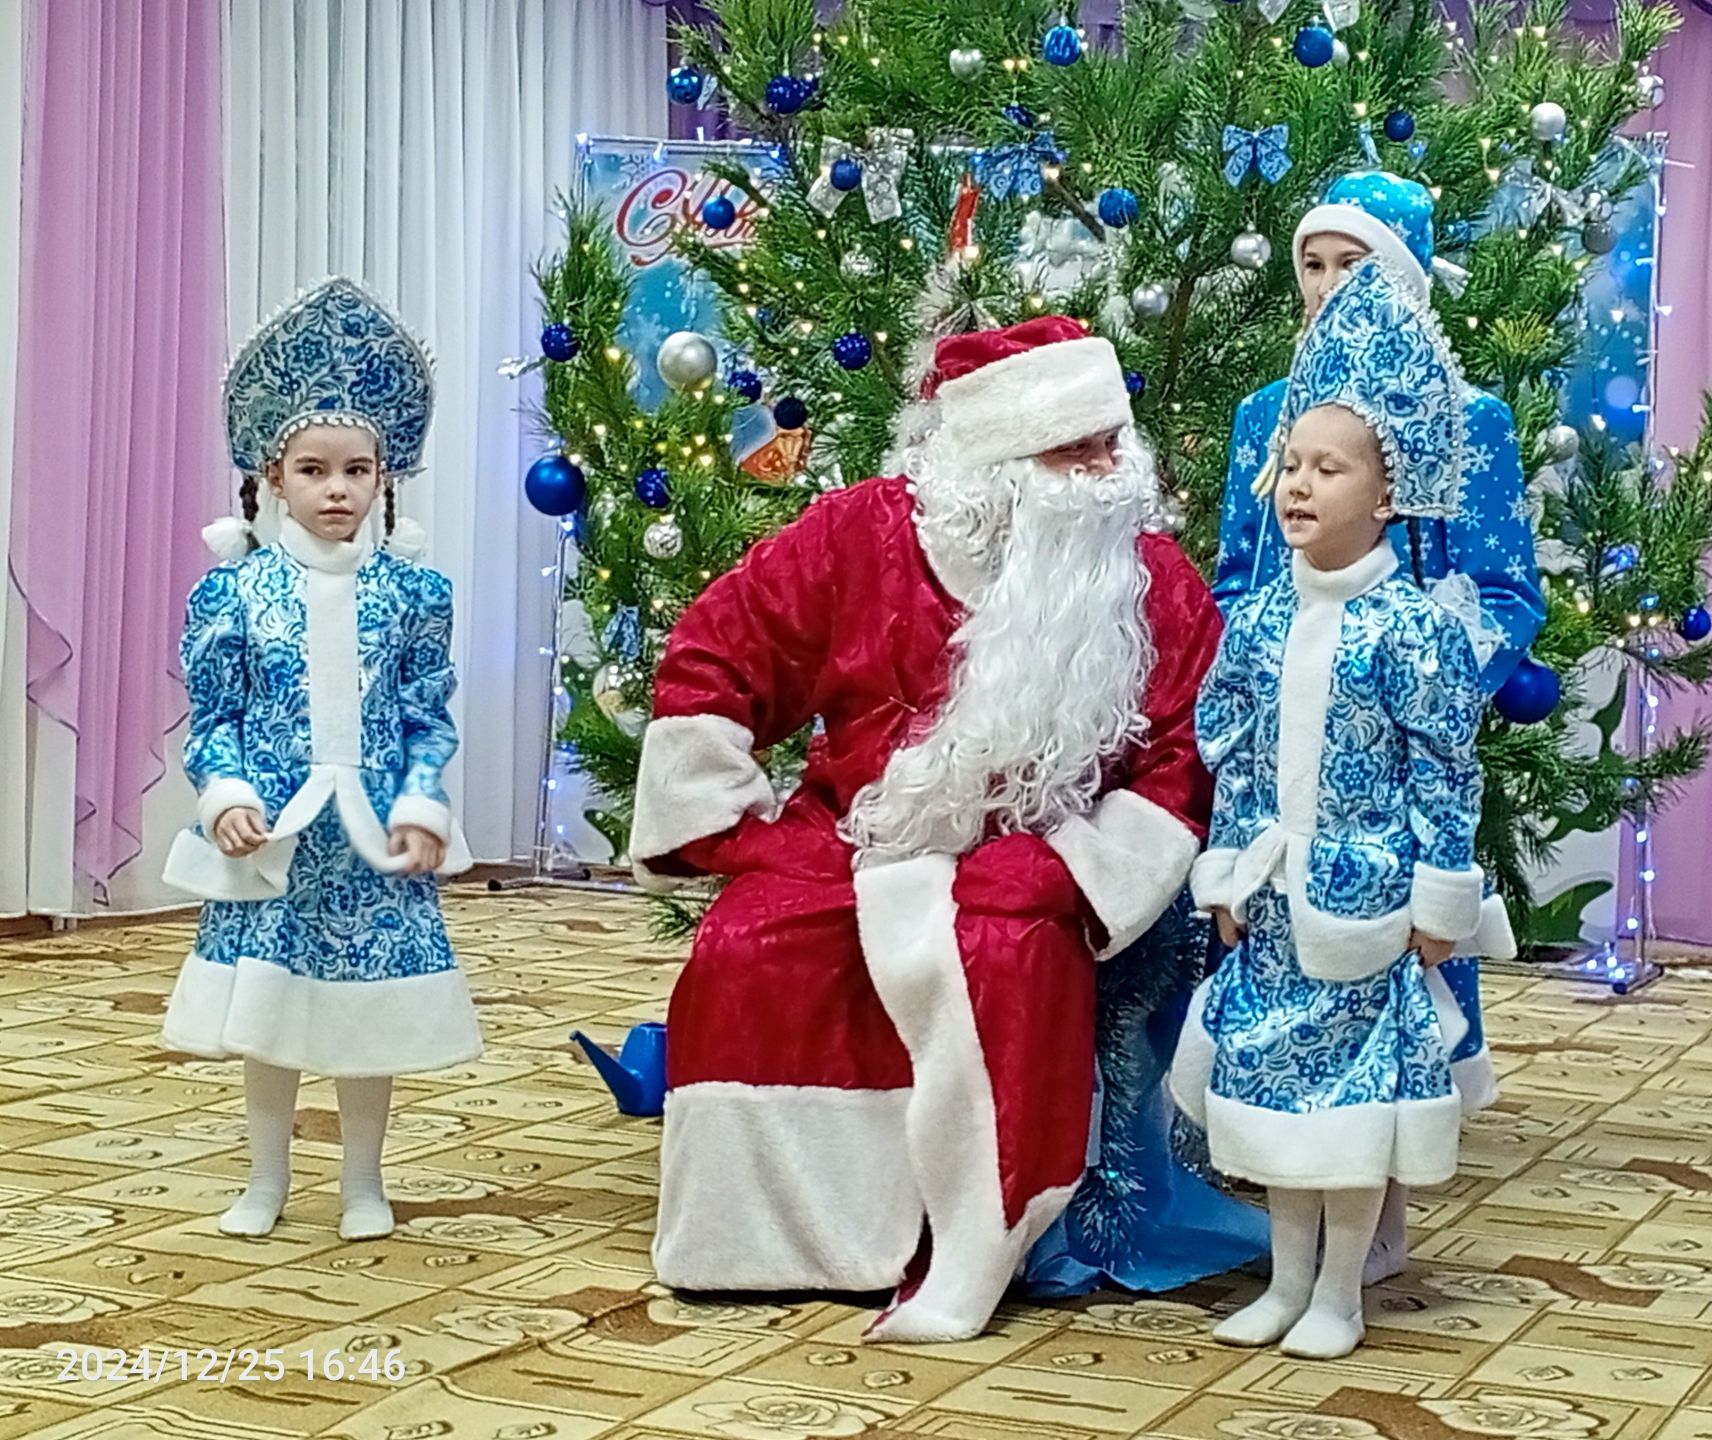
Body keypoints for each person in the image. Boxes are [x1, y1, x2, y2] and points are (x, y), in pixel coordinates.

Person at [627, 316, 1220, 1342]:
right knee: (751, 942)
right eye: (1069, 447)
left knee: (1005, 952)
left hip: (1042, 852)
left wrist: (1075, 874)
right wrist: (740, 828)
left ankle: (975, 1242)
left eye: (1110, 442)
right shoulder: (859, 535)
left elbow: (1180, 761)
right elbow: (719, 650)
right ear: (992, 459)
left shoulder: (1153, 580)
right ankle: (758, 1243)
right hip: (857, 830)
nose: (1103, 472)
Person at [1172, 258, 1515, 1360]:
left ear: (1387, 489)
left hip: (1367, 909)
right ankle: (1282, 1282)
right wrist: (1227, 870)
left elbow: (1445, 773)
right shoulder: (1263, 618)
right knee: (1275, 1099)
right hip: (1270, 904)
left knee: (1355, 1110)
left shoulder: (1414, 627)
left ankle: (1341, 1294)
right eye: (1288, 465)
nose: (1298, 486)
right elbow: (1225, 746)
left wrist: (1435, 901)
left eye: (1329, 468)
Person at [160, 278, 480, 1241]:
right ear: (271, 476)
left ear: (386, 478)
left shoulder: (416, 591)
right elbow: (214, 714)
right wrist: (223, 793)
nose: (337, 489)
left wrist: (423, 804)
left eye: (357, 470)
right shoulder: (234, 595)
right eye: (313, 469)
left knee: (363, 1016)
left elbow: (428, 715)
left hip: (377, 841)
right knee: (270, 1014)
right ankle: (265, 1180)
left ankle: (363, 1183)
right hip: (275, 841)